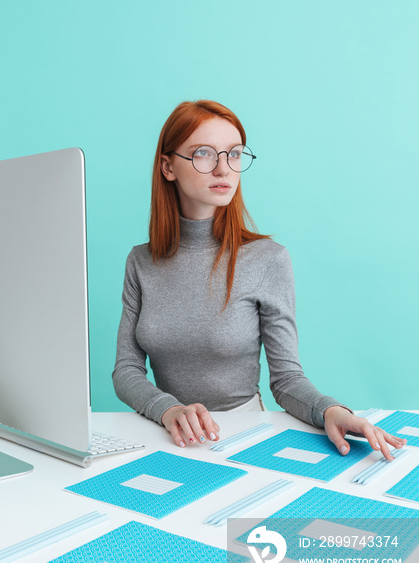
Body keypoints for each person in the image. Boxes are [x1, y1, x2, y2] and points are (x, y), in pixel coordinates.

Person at [113, 99, 406, 461]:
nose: (223, 168)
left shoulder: (268, 259)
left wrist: (332, 411)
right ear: (168, 166)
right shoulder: (141, 261)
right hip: (166, 436)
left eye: (234, 154)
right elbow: (126, 371)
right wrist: (168, 409)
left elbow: (286, 379)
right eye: (203, 153)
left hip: (242, 438)